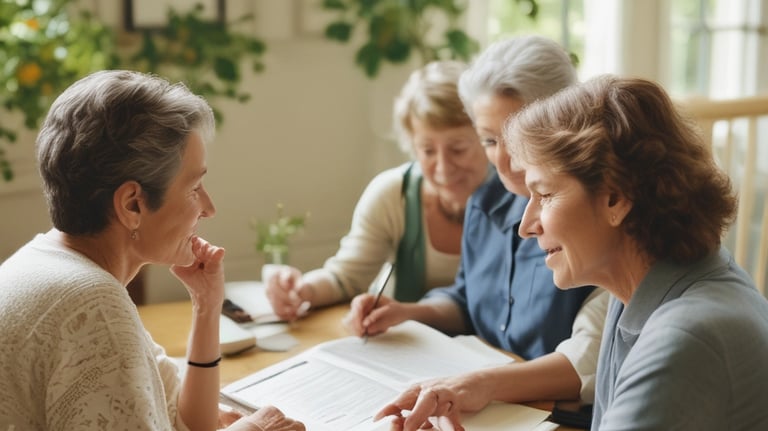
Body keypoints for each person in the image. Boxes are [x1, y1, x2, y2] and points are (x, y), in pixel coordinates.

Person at [380, 75, 768, 430]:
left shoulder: (684, 339)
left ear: (616, 198)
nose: (526, 226)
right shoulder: (644, 292)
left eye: (544, 194)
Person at [0, 70, 303, 431]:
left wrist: (207, 307)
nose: (208, 208)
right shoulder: (92, 305)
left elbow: (188, 421)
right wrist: (254, 428)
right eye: (194, 188)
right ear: (132, 205)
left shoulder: (48, 264)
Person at [345, 35, 606, 408]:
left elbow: (588, 362)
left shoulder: (595, 218)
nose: (505, 163)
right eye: (489, 140)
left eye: (519, 138)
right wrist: (407, 311)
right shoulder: (484, 203)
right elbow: (469, 300)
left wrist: (478, 384)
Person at [266, 61, 490, 320]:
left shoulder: (518, 198)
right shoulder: (393, 195)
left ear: (487, 138)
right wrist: (301, 290)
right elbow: (345, 278)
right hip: (401, 346)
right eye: (427, 150)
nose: (443, 168)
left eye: (458, 148)